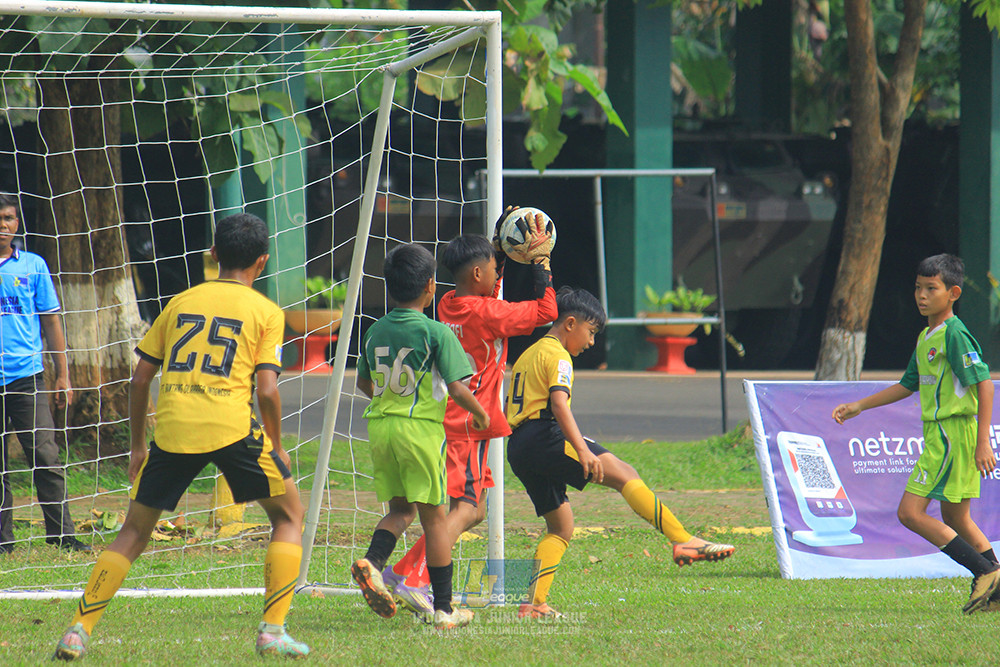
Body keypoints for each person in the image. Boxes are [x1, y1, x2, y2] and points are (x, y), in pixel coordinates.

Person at [54, 213, 309, 660]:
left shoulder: (180, 302)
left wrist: (137, 446)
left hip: (173, 428)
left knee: (133, 532)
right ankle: (272, 630)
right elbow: (267, 390)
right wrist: (277, 443)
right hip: (233, 426)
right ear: (263, 261)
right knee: (289, 516)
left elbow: (138, 380)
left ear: (213, 255)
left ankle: (78, 628)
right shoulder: (267, 312)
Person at [506, 287, 735, 619]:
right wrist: (582, 450)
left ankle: (533, 603)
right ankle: (683, 539)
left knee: (561, 527)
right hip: (544, 434)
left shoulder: (531, 352)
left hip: (519, 446)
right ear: (570, 323)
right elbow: (558, 404)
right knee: (625, 473)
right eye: (591, 331)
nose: (591, 342)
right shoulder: (558, 355)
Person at [380, 223, 558, 619]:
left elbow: (488, 295)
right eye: (495, 267)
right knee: (467, 507)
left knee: (470, 507)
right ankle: (409, 574)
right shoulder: (488, 312)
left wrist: (500, 249)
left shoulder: (448, 303)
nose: (498, 273)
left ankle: (402, 572)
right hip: (471, 420)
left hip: (446, 417)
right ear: (478, 274)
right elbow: (547, 311)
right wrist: (540, 263)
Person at [832, 253, 1000, 614]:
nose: (921, 295)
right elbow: (908, 384)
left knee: (910, 512)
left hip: (950, 436)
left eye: (931, 288)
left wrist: (983, 441)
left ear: (953, 293)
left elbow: (984, 386)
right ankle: (995, 588)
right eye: (918, 288)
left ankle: (984, 572)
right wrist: (860, 405)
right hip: (944, 435)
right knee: (956, 518)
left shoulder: (955, 334)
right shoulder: (928, 336)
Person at [351, 242, 490, 630]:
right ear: (431, 286)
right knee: (435, 518)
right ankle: (445, 610)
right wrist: (481, 415)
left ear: (388, 287)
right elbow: (460, 388)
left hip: (380, 427)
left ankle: (373, 563)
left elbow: (364, 380)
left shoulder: (375, 329)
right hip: (420, 432)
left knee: (400, 509)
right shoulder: (436, 332)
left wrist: (390, 399)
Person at [0, 193, 87, 554]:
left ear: (17, 223)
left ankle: (62, 534)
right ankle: (3, 542)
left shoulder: (33, 266)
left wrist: (63, 373)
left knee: (45, 455)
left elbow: (51, 320)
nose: (4, 225)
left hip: (27, 376)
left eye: (10, 218)